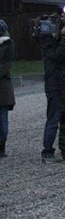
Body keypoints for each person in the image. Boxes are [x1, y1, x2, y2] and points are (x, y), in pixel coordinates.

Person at [40, 13, 65, 163]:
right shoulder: (48, 42)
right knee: (53, 118)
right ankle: (47, 151)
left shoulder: (59, 42)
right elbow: (58, 56)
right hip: (55, 85)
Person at [0, 20, 15, 157]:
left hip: (3, 88)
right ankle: (1, 146)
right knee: (3, 119)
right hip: (4, 88)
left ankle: (1, 146)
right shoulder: (9, 45)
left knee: (2, 118)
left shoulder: (7, 46)